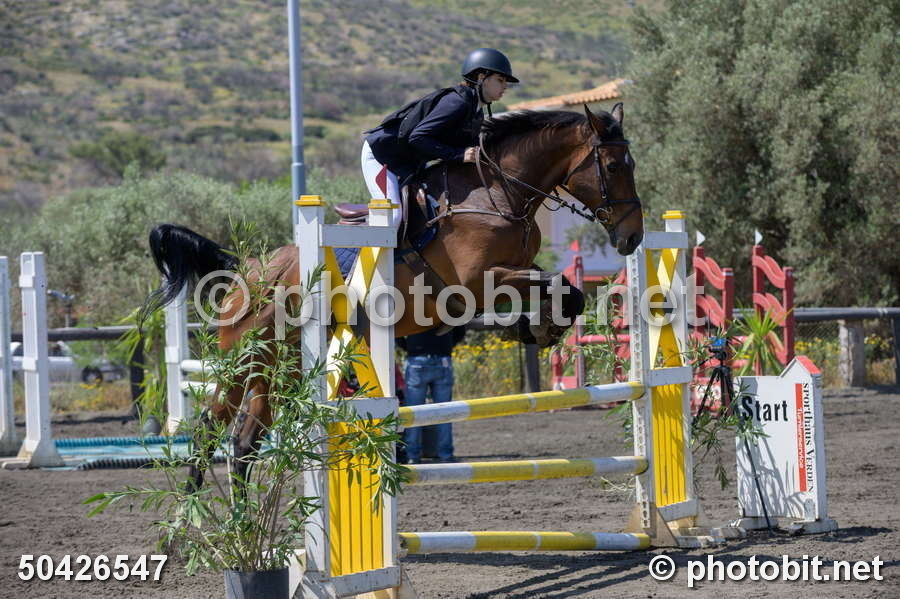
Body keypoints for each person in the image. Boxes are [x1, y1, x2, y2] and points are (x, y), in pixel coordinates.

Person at [360, 48, 519, 226]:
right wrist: (459, 155)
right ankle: (363, 244)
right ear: (482, 77)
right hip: (383, 157)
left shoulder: (476, 112)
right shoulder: (457, 103)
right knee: (393, 216)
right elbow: (417, 137)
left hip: (409, 163)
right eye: (500, 80)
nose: (505, 86)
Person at [398, 326, 467, 464]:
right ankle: (445, 454)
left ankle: (412, 455)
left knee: (413, 412)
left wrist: (409, 347)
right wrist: (445, 346)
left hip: (416, 358)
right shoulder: (446, 310)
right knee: (445, 413)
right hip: (442, 358)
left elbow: (397, 332)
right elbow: (460, 329)